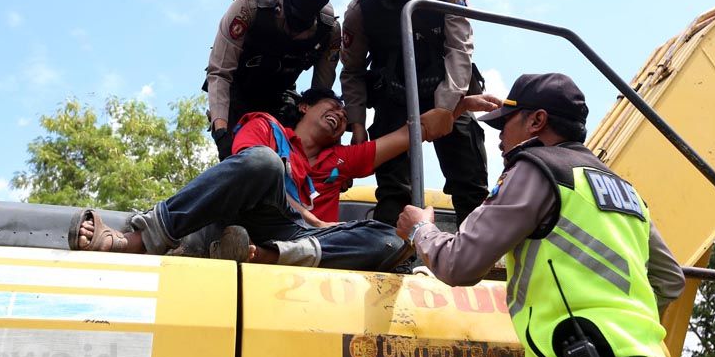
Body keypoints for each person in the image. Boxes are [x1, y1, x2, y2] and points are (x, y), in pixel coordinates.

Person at [397, 73, 687, 357]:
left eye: (505, 124)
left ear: (537, 120)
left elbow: (459, 264)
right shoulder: (627, 190)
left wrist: (421, 230)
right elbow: (669, 280)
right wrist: (632, 332)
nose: (500, 138)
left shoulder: (538, 169)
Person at [68, 88, 500, 271]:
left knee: (389, 240)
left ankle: (261, 256)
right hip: (259, 212)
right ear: (303, 109)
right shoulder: (267, 128)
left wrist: (458, 108)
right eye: (330, 105)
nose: (339, 114)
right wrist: (314, 219)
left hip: (293, 242)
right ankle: (140, 239)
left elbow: (407, 135)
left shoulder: (341, 161)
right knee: (264, 165)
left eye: (345, 116)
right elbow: (243, 174)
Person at [341, 0, 488, 227]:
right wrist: (356, 124)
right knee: (394, 192)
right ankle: (392, 259)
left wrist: (446, 107)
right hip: (395, 103)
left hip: (450, 99)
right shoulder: (361, 10)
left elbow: (460, 48)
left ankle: (479, 255)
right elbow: (351, 71)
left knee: (470, 183)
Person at [204, 0, 351, 160]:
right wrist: (221, 132)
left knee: (287, 169)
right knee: (242, 170)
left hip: (282, 102)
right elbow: (220, 73)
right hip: (237, 97)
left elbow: (321, 99)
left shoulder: (329, 30)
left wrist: (332, 153)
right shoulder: (249, 6)